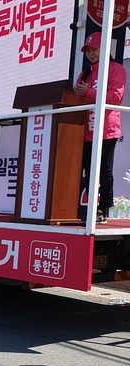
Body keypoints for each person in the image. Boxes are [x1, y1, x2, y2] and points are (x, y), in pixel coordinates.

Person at [73, 31, 126, 224]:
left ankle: (103, 210)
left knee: (105, 171)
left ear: (104, 49)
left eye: (94, 49)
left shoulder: (116, 69)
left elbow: (116, 97)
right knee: (86, 171)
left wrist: (88, 92)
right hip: (86, 130)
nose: (91, 54)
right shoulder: (84, 73)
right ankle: (84, 208)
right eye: (88, 50)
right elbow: (76, 99)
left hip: (106, 129)